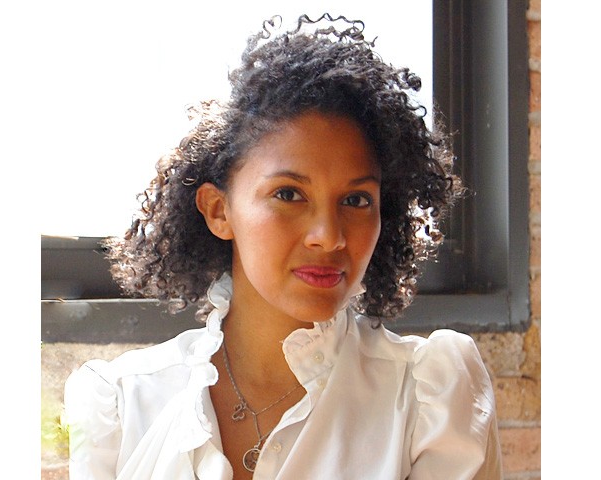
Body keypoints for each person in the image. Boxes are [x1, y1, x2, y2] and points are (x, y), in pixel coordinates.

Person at [64, 13, 502, 479]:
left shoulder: (429, 400)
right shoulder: (122, 405)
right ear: (219, 211)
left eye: (356, 200)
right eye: (289, 194)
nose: (329, 236)